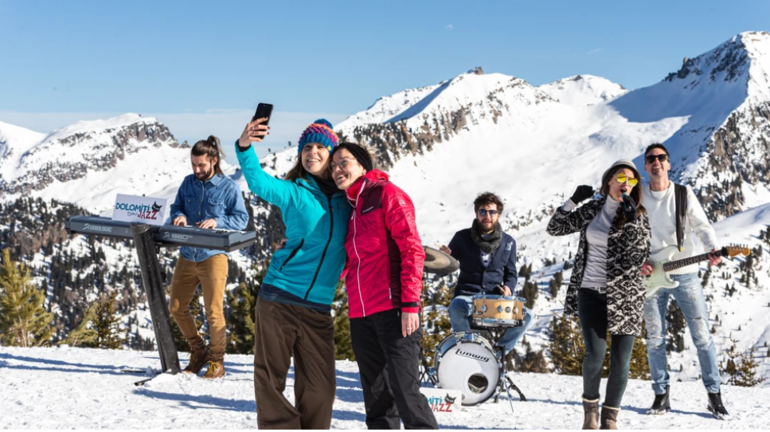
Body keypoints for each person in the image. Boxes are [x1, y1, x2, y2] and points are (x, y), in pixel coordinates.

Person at [236, 118, 350, 429]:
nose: (312, 152)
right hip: (279, 298)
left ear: (333, 154)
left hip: (318, 307)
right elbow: (259, 182)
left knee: (321, 389)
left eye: (320, 146)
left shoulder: (348, 199)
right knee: (270, 379)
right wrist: (244, 146)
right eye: (306, 147)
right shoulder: (295, 192)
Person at [330, 142, 438, 430]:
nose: (337, 169)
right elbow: (350, 262)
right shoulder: (351, 207)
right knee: (376, 396)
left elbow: (412, 250)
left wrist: (410, 304)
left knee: (406, 392)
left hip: (394, 308)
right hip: (360, 313)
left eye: (344, 162)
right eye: (333, 166)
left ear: (362, 165)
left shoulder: (387, 194)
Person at [547, 159, 650, 430]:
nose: (625, 184)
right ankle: (590, 412)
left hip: (626, 296)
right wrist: (572, 202)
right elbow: (555, 228)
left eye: (631, 180)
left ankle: (610, 418)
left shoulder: (639, 215)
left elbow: (638, 256)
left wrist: (631, 221)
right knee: (595, 353)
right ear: (609, 181)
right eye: (621, 178)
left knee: (621, 362)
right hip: (590, 291)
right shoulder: (592, 208)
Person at [639, 143, 728, 419]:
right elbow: (628, 233)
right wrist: (637, 261)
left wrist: (712, 248)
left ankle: (714, 396)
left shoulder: (682, 193)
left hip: (685, 272)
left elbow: (702, 226)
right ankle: (661, 396)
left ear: (668, 163)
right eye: (651, 158)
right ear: (645, 165)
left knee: (702, 335)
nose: (657, 162)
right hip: (651, 276)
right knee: (655, 337)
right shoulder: (638, 195)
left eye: (661, 157)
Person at [167, 135, 249, 378]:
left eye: (201, 165)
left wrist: (218, 221)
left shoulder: (229, 187)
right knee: (176, 307)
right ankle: (198, 350)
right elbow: (176, 206)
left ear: (213, 161)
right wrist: (179, 215)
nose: (197, 170)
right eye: (193, 165)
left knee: (213, 311)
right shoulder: (188, 183)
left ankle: (217, 361)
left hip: (213, 256)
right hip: (187, 254)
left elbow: (242, 219)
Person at [439, 192, 533, 356]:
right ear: (476, 213)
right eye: (482, 211)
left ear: (499, 215)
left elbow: (511, 274)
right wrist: (444, 259)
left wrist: (508, 288)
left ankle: (498, 354)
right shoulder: (461, 237)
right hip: (467, 296)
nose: (487, 216)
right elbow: (446, 269)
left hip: (495, 300)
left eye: (492, 212)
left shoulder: (508, 242)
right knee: (456, 307)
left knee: (527, 316)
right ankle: (468, 350)